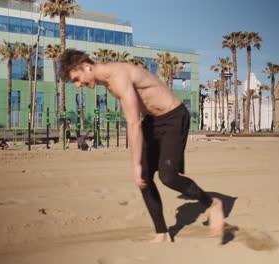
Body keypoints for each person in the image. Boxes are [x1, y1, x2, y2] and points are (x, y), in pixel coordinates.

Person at [59, 49, 226, 243]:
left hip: (173, 116)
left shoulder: (118, 76)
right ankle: (162, 232)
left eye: (77, 78)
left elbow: (133, 123)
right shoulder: (107, 81)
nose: (79, 85)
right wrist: (139, 167)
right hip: (153, 121)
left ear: (86, 66)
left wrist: (135, 164)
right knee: (144, 178)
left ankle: (212, 203)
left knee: (168, 176)